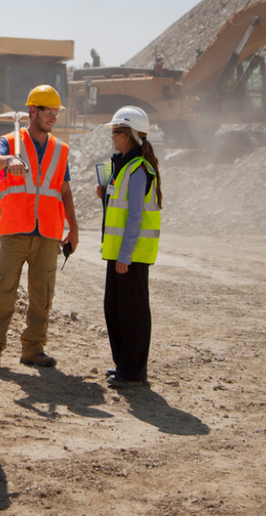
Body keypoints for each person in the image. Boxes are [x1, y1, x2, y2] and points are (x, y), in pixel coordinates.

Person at [0, 85, 79, 371]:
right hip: (14, 230)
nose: (53, 117)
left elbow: (65, 191)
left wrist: (74, 228)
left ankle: (33, 348)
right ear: (32, 111)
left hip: (48, 232)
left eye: (57, 112)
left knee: (42, 294)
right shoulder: (11, 141)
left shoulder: (60, 149)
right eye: (48, 111)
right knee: (2, 290)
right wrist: (10, 160)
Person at [97, 106, 162, 389]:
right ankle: (124, 365)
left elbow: (135, 216)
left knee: (132, 311)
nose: (111, 137)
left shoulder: (138, 169)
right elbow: (120, 210)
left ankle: (134, 372)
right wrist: (104, 195)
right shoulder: (123, 166)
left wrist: (125, 256)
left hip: (131, 256)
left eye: (115, 132)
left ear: (128, 135)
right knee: (115, 308)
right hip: (120, 253)